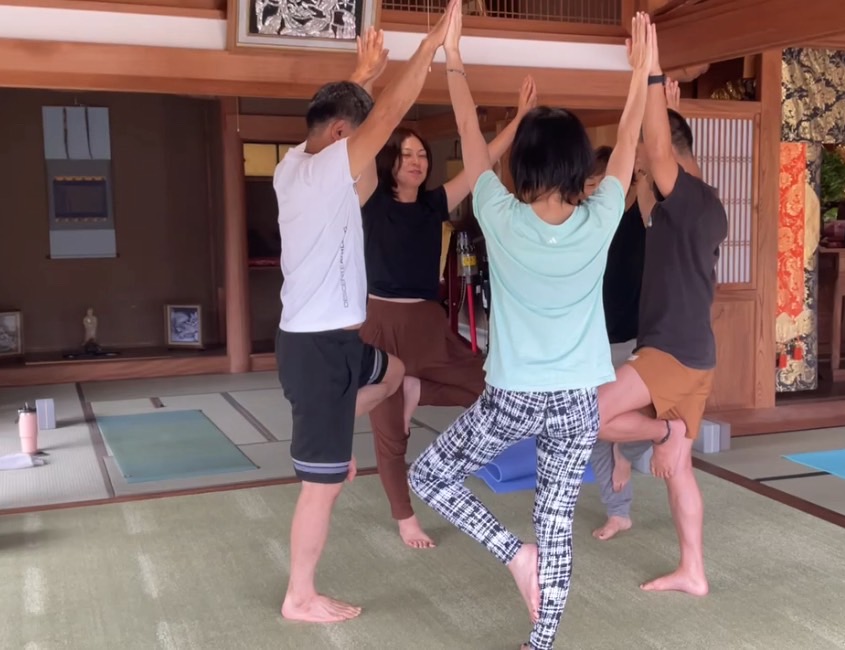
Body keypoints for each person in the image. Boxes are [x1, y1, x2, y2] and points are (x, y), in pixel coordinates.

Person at [407, 7, 653, 650]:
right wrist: (642, 76)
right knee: (558, 520)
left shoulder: (497, 212)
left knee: (429, 476)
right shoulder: (600, 218)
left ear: (522, 164)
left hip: (514, 396)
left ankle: (515, 556)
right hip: (577, 402)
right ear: (576, 166)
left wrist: (452, 60)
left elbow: (466, 130)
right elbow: (628, 142)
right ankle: (541, 641)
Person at [271, 5, 458, 624]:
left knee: (394, 371)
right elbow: (385, 118)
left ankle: (328, 430)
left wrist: (363, 73)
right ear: (341, 140)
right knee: (320, 492)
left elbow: (349, 116)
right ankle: (300, 594)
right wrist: (428, 47)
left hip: (334, 343)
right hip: (319, 348)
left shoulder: (291, 165)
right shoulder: (325, 169)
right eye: (360, 140)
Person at [358, 79, 538, 550]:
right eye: (407, 154)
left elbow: (479, 163)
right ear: (390, 162)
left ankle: (418, 384)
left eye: (422, 155)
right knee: (389, 428)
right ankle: (404, 517)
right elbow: (365, 141)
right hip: (381, 324)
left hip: (426, 325)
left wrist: (518, 118)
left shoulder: (435, 202)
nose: (417, 161)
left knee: (488, 386)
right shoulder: (372, 201)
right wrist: (370, 89)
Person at [595, 34, 729, 599]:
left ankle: (664, 432)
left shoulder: (691, 196)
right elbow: (650, 190)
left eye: (653, 158)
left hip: (670, 352)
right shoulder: (696, 204)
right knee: (682, 471)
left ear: (668, 154)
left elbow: (658, 151)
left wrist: (649, 73)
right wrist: (664, 102)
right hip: (691, 353)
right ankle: (692, 569)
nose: (646, 171)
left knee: (583, 417)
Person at [588, 81, 684, 543]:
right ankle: (618, 508)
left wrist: (663, 113)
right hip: (590, 341)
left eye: (602, 181)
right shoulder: (584, 224)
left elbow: (659, 172)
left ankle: (633, 450)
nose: (594, 191)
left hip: (631, 336)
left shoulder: (637, 212)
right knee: (591, 429)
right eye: (588, 184)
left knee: (609, 423)